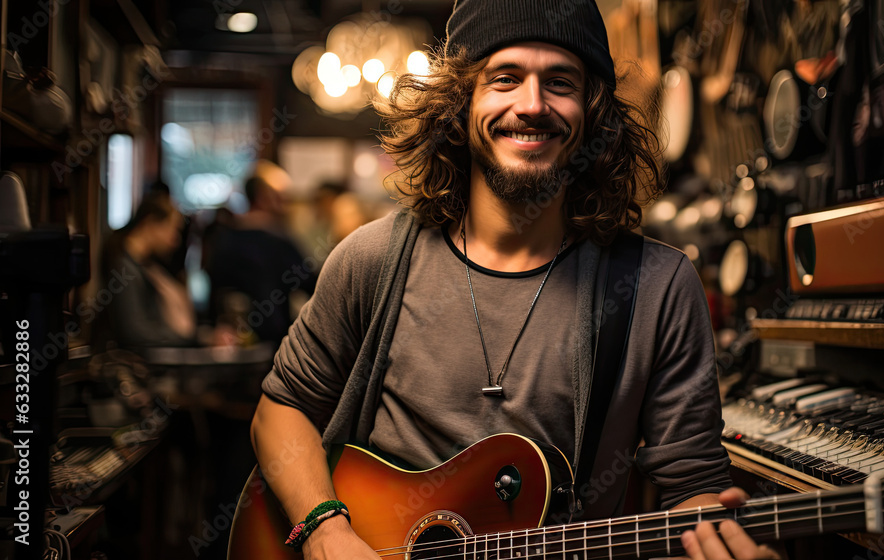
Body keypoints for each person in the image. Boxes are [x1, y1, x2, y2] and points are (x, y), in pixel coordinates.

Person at [250, 1, 779, 559]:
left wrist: (727, 543)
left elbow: (695, 489)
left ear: (593, 112)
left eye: (560, 82)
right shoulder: (374, 260)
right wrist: (324, 530)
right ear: (460, 103)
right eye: (505, 78)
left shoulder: (658, 286)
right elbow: (280, 411)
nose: (531, 105)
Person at [207, 166, 315, 345]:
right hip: (272, 339)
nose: (285, 205)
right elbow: (310, 283)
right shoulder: (278, 241)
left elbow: (214, 287)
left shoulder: (225, 238)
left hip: (232, 341)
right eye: (280, 197)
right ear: (263, 197)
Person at [102, 191, 196, 349]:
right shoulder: (125, 268)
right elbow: (135, 332)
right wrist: (185, 338)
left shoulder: (142, 265)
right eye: (174, 230)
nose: (176, 240)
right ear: (151, 223)